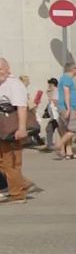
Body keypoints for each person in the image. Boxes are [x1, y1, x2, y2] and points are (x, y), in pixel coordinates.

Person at [0, 58, 31, 205]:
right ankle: (22, 183)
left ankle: (18, 193)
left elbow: (22, 107)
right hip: (2, 128)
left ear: (8, 68)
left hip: (11, 128)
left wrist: (22, 128)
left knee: (11, 162)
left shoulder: (14, 84)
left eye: (1, 69)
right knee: (6, 162)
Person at [56, 62, 76, 159]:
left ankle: (69, 152)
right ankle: (60, 144)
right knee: (74, 128)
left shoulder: (66, 79)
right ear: (73, 69)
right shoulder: (67, 79)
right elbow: (66, 92)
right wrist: (68, 108)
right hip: (68, 107)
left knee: (68, 129)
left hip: (70, 107)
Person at [43, 78, 60, 151]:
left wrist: (49, 95)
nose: (48, 87)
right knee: (49, 128)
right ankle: (49, 145)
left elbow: (55, 102)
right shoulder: (54, 92)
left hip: (57, 115)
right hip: (54, 116)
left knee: (59, 129)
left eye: (49, 85)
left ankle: (62, 145)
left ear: (52, 85)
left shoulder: (56, 92)